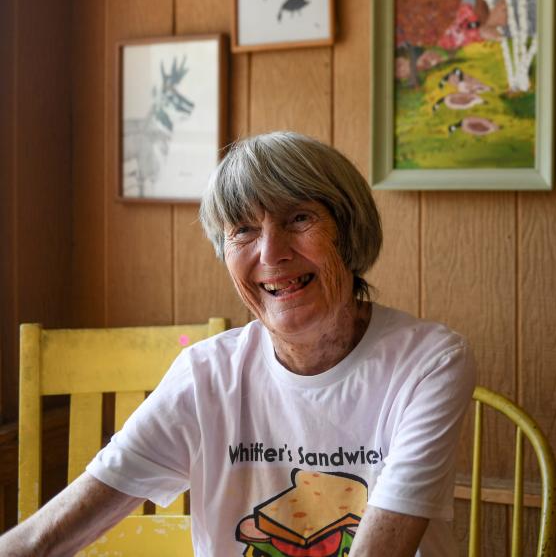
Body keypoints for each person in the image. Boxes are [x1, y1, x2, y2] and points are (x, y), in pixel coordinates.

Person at [1, 132, 476, 556]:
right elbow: (45, 538)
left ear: (349, 232)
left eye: (299, 218)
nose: (271, 253)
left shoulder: (428, 363)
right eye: (243, 230)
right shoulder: (206, 374)